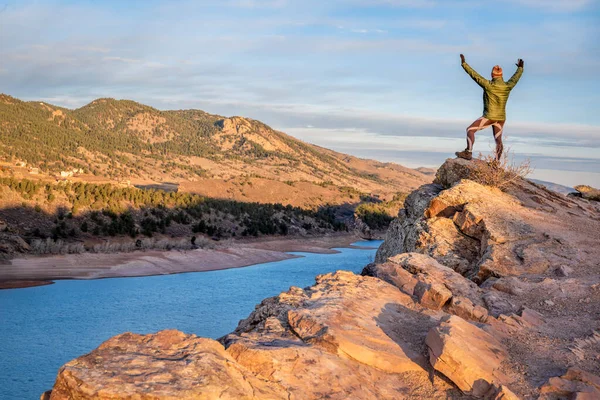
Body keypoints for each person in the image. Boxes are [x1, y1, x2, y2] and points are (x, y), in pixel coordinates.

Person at [455, 54, 524, 161]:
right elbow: (515, 78)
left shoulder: (488, 85)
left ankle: (468, 152)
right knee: (498, 140)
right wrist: (520, 68)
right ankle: (496, 162)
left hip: (489, 116)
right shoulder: (507, 86)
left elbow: (475, 75)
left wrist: (464, 64)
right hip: (501, 118)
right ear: (501, 75)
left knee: (470, 130)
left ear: (492, 75)